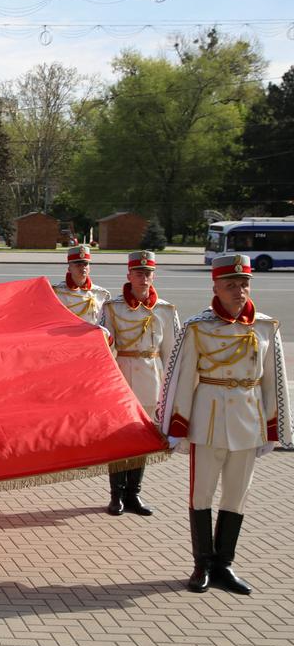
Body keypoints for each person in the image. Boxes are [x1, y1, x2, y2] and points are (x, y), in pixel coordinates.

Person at [158, 253, 289, 595]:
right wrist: (177, 427)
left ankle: (225, 565)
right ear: (214, 285)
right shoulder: (198, 327)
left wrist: (274, 429)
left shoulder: (264, 326)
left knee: (236, 495)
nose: (239, 291)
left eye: (244, 283)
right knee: (202, 493)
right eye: (230, 285)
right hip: (209, 420)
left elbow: (272, 382)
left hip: (247, 422)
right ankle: (202, 565)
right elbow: (183, 379)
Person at [97, 251, 179, 516]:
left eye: (148, 273)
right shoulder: (113, 307)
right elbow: (103, 346)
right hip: (123, 377)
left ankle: (134, 494)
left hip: (153, 379)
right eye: (139, 273)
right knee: (121, 440)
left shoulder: (165, 310)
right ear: (129, 275)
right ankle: (116, 495)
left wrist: (170, 389)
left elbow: (172, 354)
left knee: (144, 439)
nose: (144, 278)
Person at [52, 245, 110, 326]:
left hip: (90, 336)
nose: (83, 268)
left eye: (85, 264)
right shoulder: (56, 292)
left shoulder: (101, 294)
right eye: (78, 265)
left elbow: (105, 324)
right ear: (69, 268)